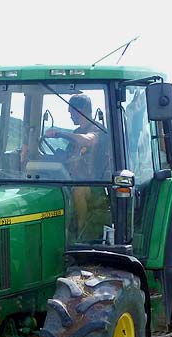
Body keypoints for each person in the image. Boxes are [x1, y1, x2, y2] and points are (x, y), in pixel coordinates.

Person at [45, 94, 101, 233]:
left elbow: (87, 140)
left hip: (96, 184)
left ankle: (80, 232)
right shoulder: (77, 132)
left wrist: (60, 134)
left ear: (80, 110)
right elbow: (70, 157)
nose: (70, 115)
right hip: (72, 178)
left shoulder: (97, 129)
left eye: (71, 111)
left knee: (78, 191)